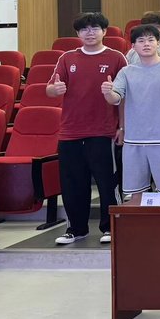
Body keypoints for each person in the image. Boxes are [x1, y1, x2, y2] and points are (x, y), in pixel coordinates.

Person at [48, 13, 127, 245]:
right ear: (78, 33)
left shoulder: (116, 57)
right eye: (84, 29)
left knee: (107, 183)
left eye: (95, 28)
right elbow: (50, 89)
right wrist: (55, 89)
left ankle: (110, 227)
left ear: (104, 31)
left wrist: (122, 127)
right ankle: (76, 228)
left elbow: (124, 97)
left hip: (103, 131)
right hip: (70, 131)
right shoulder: (67, 57)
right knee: (72, 184)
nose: (90, 33)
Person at [103, 24, 160, 197]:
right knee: (135, 194)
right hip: (134, 141)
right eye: (141, 40)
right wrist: (108, 92)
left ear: (159, 43)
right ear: (133, 46)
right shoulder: (126, 72)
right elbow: (115, 98)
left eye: (151, 40)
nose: (146, 44)